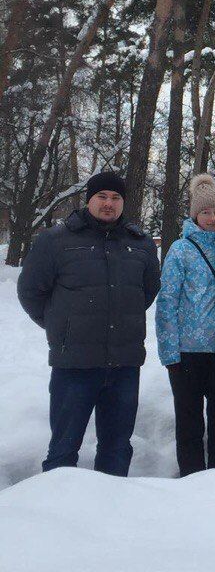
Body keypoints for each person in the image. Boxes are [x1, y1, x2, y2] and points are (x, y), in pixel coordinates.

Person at [17, 171, 161, 476]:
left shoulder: (141, 245)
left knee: (117, 447)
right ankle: (57, 514)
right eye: (102, 196)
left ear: (124, 202)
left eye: (116, 198)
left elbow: (146, 292)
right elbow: (30, 292)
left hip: (124, 366)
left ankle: (109, 516)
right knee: (64, 449)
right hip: (74, 367)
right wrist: (62, 325)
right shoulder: (55, 241)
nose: (108, 203)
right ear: (89, 198)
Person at [155, 173, 215, 477]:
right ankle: (192, 480)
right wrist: (169, 353)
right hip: (187, 354)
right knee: (189, 422)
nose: (213, 218)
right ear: (195, 214)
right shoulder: (180, 250)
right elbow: (167, 304)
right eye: (206, 212)